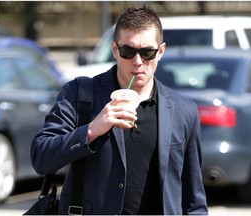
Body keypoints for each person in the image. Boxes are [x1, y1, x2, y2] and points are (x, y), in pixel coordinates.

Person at [31, 5, 208, 215]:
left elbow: (194, 201)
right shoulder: (80, 94)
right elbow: (41, 158)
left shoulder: (183, 110)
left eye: (147, 52)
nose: (138, 62)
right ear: (115, 50)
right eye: (128, 51)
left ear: (160, 52)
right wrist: (92, 130)